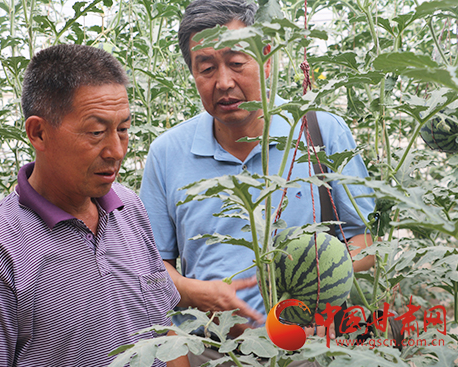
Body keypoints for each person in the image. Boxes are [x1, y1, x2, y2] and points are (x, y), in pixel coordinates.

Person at [139, 0, 375, 365]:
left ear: (267, 59)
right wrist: (196, 291)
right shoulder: (167, 153)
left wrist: (313, 274)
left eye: (236, 63)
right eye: (206, 68)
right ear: (192, 73)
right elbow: (153, 270)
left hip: (311, 348)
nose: (224, 82)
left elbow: (365, 244)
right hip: (211, 350)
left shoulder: (320, 131)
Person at [0, 44, 188, 367]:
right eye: (96, 132)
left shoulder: (129, 207)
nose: (116, 150)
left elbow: (165, 333)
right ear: (38, 133)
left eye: (123, 130)